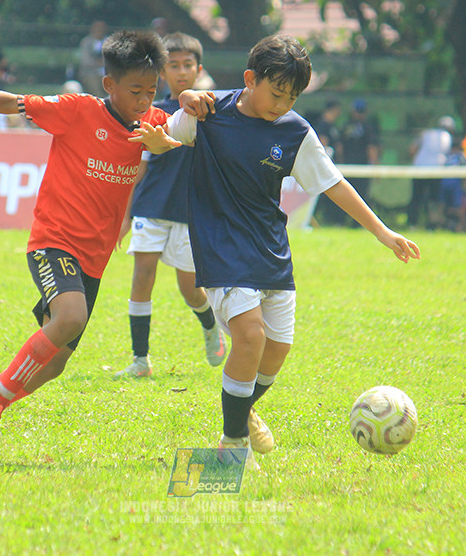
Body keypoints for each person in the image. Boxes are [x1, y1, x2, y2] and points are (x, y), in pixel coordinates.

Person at [145, 35, 420, 469]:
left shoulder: (295, 131)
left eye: (292, 97)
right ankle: (232, 444)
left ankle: (243, 410)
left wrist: (382, 232)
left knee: (276, 349)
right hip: (221, 246)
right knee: (250, 337)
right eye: (276, 93)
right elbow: (164, 137)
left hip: (270, 247)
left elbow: (333, 183)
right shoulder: (209, 112)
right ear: (250, 79)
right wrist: (165, 127)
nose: (282, 104)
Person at [0, 30, 179, 454]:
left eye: (152, 91)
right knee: (70, 317)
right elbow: (14, 102)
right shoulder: (78, 110)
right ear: (109, 84)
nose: (145, 100)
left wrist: (166, 142)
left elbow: (187, 126)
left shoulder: (153, 123)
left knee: (55, 365)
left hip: (95, 257)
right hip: (55, 241)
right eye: (135, 92)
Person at [114, 33, 225, 379]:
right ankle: (140, 360)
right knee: (142, 275)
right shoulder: (152, 113)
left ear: (199, 69)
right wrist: (125, 215)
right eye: (173, 65)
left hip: (190, 211)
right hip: (151, 205)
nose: (181, 72)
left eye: (187, 65)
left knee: (190, 289)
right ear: (162, 72)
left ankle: (211, 326)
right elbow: (139, 167)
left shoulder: (213, 114)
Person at [408, 116, 455, 229]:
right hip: (435, 170)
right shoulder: (447, 137)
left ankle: (412, 223)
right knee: (433, 199)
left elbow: (412, 149)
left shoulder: (426, 134)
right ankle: (432, 225)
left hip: (419, 168)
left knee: (416, 197)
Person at [339, 98, 380, 219]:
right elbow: (371, 148)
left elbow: (339, 147)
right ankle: (357, 222)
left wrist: (340, 161)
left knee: (345, 194)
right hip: (362, 167)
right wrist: (375, 166)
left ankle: (341, 220)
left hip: (347, 166)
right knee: (361, 196)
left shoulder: (346, 125)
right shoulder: (368, 127)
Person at [77, 20, 108, 95]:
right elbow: (86, 60)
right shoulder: (86, 42)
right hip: (90, 73)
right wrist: (100, 63)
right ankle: (100, 101)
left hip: (108, 73)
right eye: (97, 28)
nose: (99, 30)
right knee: (94, 83)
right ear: (92, 29)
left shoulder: (109, 41)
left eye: (101, 28)